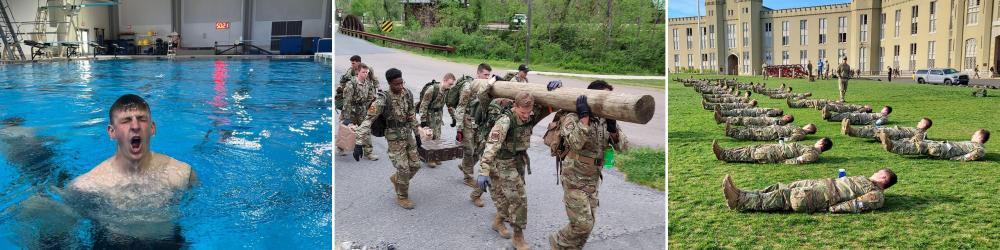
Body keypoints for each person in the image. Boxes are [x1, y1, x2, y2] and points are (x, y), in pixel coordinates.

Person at [67, 94, 197, 245]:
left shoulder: (182, 174)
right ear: (112, 132)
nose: (135, 126)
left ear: (152, 128)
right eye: (126, 120)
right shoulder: (86, 186)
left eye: (142, 119)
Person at [549, 80, 626, 249]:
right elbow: (575, 143)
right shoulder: (572, 117)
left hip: (593, 179)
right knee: (582, 224)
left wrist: (613, 129)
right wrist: (584, 120)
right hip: (574, 176)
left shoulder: (607, 119)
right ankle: (558, 241)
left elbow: (624, 148)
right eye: (605, 96)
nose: (608, 100)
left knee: (588, 225)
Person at [478, 91, 555, 250]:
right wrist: (483, 171)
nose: (526, 116)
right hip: (503, 163)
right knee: (519, 199)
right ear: (515, 107)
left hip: (519, 161)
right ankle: (518, 237)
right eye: (522, 112)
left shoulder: (531, 114)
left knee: (509, 197)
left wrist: (553, 91)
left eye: (529, 112)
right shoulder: (505, 121)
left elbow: (551, 106)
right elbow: (491, 146)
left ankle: (498, 222)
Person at [354, 68, 423, 209]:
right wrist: (358, 142)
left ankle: (397, 179)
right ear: (390, 83)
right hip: (393, 137)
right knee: (403, 169)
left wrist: (417, 133)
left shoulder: (407, 93)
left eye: (401, 83)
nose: (400, 86)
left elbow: (411, 114)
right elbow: (368, 120)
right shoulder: (383, 98)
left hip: (407, 134)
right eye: (396, 84)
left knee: (416, 165)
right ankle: (402, 196)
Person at [721, 168, 897, 213]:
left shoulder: (877, 195)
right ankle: (741, 193)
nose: (875, 172)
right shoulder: (867, 180)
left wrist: (834, 208)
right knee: (780, 187)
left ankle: (739, 201)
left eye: (879, 172)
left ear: (883, 178)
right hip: (819, 185)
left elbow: (857, 204)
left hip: (823, 196)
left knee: (784, 197)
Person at [461, 63, 495, 207]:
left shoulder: (489, 86)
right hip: (468, 121)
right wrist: (458, 127)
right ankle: (468, 175)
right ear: (479, 74)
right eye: (485, 75)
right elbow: (461, 106)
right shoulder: (469, 86)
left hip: (480, 125)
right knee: (469, 150)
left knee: (477, 152)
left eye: (489, 75)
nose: (487, 77)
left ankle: (464, 166)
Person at [342, 63, 381, 160]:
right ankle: (341, 146)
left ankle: (369, 152)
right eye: (363, 72)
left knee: (366, 130)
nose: (365, 74)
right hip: (352, 110)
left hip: (363, 110)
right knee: (348, 130)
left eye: (367, 72)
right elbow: (347, 101)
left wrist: (370, 108)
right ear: (358, 72)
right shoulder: (351, 84)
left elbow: (370, 97)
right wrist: (347, 117)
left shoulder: (367, 83)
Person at [417, 73, 456, 167]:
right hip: (429, 115)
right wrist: (423, 120)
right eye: (450, 84)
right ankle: (429, 158)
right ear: (445, 80)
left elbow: (449, 105)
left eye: (452, 85)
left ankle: (435, 156)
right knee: (430, 137)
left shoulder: (447, 91)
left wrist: (453, 117)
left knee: (437, 136)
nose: (451, 86)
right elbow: (423, 105)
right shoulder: (432, 90)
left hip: (438, 115)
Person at [881, 129, 988, 161]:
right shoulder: (973, 144)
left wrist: (956, 158)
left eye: (975, 134)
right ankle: (893, 143)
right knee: (919, 144)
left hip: (946, 150)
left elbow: (972, 156)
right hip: (944, 146)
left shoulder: (979, 148)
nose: (972, 134)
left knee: (919, 147)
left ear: (980, 137)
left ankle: (892, 147)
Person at [712, 138, 832, 164]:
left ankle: (723, 155)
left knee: (749, 154)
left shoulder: (813, 154)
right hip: (775, 148)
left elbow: (798, 160)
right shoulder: (811, 148)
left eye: (819, 140)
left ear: (821, 143)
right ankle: (724, 151)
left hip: (775, 154)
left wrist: (782, 162)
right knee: (749, 149)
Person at [843, 117, 931, 141]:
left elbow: (915, 140)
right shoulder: (918, 130)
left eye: (920, 122)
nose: (918, 122)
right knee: (872, 129)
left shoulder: (922, 133)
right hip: (896, 131)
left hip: (896, 134)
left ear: (923, 125)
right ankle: (851, 130)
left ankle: (851, 130)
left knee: (873, 131)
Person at [725, 123, 817, 141]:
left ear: (809, 129)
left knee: (752, 134)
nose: (805, 125)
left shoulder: (801, 134)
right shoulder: (799, 129)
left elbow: (791, 139)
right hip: (772, 129)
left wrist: (780, 139)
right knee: (751, 130)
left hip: (772, 134)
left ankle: (730, 133)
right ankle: (732, 130)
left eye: (807, 125)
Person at [822, 105, 891, 125]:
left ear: (887, 111)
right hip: (860, 116)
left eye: (884, 109)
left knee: (846, 115)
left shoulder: (884, 117)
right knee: (845, 115)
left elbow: (878, 123)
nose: (882, 110)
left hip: (861, 118)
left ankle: (829, 116)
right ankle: (829, 116)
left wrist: (870, 122)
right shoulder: (879, 114)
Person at [716, 114, 794, 126]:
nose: (785, 115)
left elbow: (770, 123)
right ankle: (722, 119)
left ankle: (722, 120)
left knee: (740, 120)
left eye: (787, 115)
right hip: (758, 120)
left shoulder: (781, 122)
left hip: (757, 122)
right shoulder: (781, 121)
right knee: (740, 119)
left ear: (788, 119)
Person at [715, 107, 783, 117]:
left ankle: (722, 113)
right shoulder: (772, 111)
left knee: (737, 112)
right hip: (754, 112)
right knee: (737, 112)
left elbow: (767, 114)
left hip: (753, 113)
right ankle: (722, 112)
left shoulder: (772, 112)